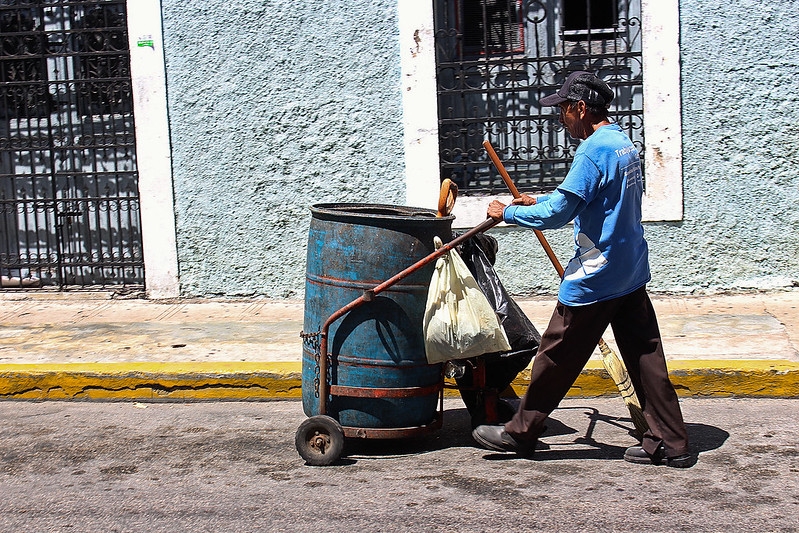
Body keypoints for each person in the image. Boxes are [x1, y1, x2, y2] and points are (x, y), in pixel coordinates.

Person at [471, 71, 695, 468]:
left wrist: (507, 212)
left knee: (555, 355)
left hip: (597, 274)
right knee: (645, 355)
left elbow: (560, 212)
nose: (560, 118)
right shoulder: (622, 142)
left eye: (563, 110)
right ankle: (669, 441)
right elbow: (593, 200)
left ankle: (519, 433)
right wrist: (534, 203)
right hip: (629, 267)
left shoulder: (593, 150)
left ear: (580, 107)